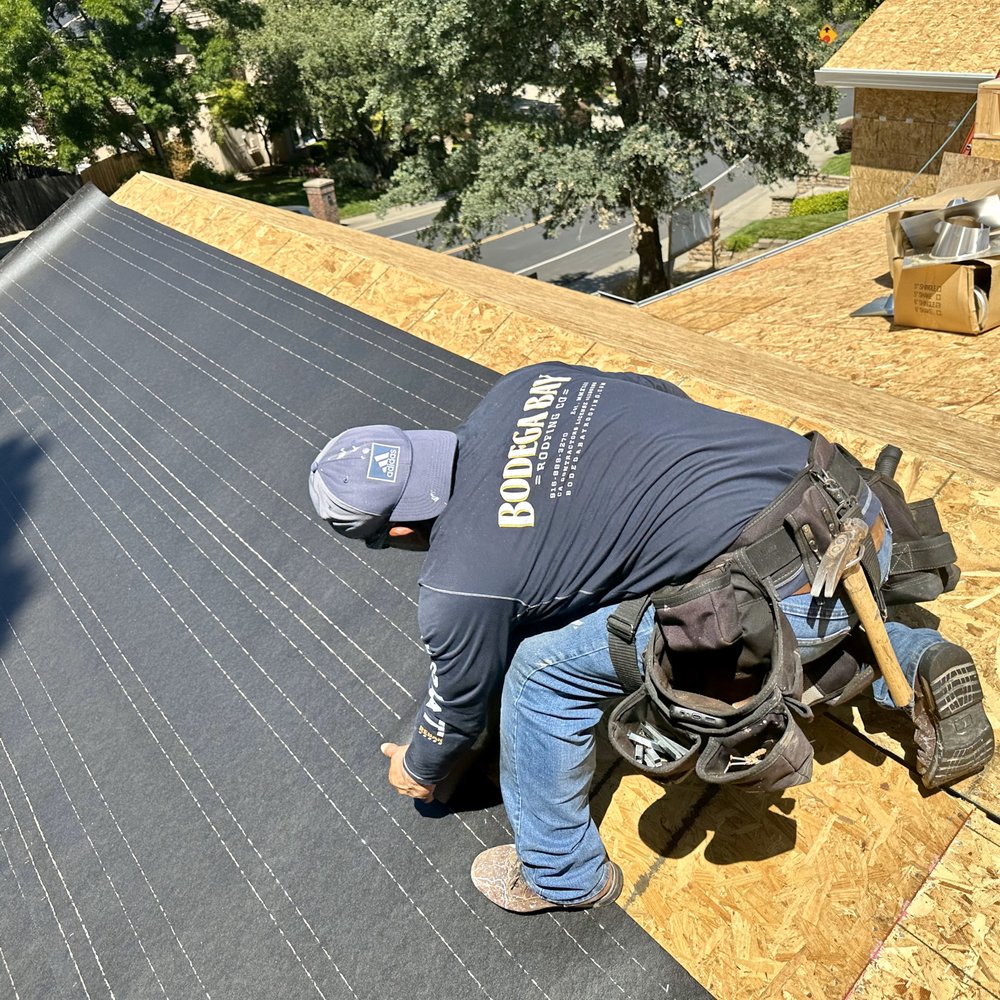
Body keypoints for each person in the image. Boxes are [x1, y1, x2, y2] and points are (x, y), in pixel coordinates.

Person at [308, 362, 994, 914]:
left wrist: (422, 766)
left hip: (776, 581)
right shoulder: (522, 386)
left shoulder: (458, 582)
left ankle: (560, 874)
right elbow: (662, 396)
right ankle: (918, 658)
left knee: (539, 673)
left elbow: (458, 708)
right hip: (847, 501)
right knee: (741, 580)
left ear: (396, 533)